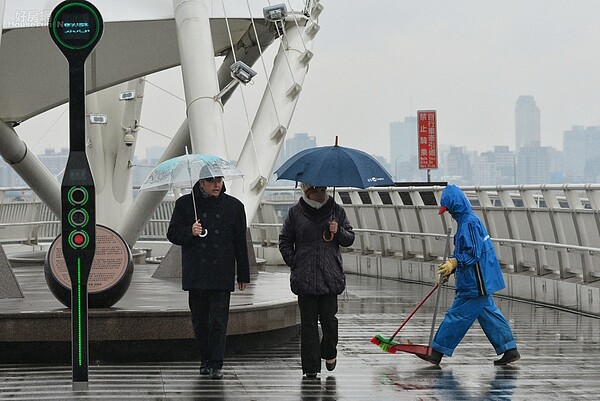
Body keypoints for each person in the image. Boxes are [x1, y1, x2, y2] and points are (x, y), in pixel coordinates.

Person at [418, 184, 520, 366]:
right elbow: (467, 251)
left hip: (476, 281)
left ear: (455, 206)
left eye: (448, 209)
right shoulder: (466, 221)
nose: (448, 213)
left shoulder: (469, 223)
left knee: (457, 315)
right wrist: (451, 268)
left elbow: (473, 253)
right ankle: (509, 349)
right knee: (489, 314)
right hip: (477, 278)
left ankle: (437, 351)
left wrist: (455, 262)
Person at [167, 170, 250, 380]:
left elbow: (240, 243)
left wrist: (243, 274)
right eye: (211, 181)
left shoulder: (234, 207)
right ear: (201, 183)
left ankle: (216, 364)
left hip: (222, 271)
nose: (217, 185)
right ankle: (205, 360)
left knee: (219, 321)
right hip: (196, 272)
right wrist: (190, 231)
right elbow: (172, 233)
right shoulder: (185, 204)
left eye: (220, 180)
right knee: (200, 320)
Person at [279, 183, 355, 378]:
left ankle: (329, 352)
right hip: (305, 277)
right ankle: (311, 367)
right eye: (316, 191)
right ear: (307, 192)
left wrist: (337, 231)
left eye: (323, 190)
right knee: (309, 324)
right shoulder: (296, 213)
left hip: (330, 277)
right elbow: (285, 240)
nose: (321, 194)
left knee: (329, 321)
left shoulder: (336, 210)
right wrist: (294, 261)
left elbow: (349, 238)